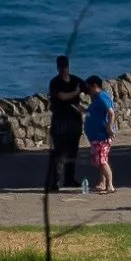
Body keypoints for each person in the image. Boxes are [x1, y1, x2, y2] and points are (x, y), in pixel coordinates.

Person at [45, 55, 84, 192]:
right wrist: (75, 92)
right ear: (57, 67)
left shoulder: (75, 80)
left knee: (73, 152)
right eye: (60, 67)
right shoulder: (54, 83)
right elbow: (61, 96)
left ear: (68, 66)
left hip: (74, 122)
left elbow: (87, 87)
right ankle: (55, 182)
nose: (63, 69)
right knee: (59, 153)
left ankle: (69, 179)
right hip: (60, 122)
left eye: (65, 66)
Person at [82, 75, 116, 195]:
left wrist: (109, 128)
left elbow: (111, 113)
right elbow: (94, 112)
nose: (88, 93)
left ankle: (110, 185)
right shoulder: (97, 98)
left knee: (101, 160)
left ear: (95, 86)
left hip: (102, 136)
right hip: (96, 136)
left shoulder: (102, 97)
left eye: (89, 89)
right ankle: (102, 183)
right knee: (101, 159)